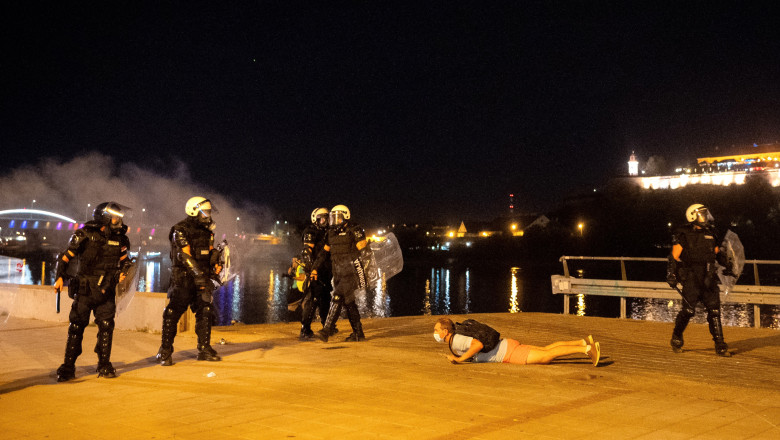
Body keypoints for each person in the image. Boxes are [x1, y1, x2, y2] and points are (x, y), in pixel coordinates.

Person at [54, 202, 132, 381]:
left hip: (107, 290)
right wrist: (59, 278)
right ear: (104, 216)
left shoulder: (121, 238)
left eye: (119, 216)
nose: (118, 219)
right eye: (114, 216)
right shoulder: (84, 234)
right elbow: (65, 258)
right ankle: (68, 367)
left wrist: (123, 272)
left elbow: (125, 261)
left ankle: (104, 365)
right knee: (76, 327)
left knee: (106, 327)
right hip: (85, 289)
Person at [156, 197, 222, 366]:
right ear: (193, 211)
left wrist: (216, 261)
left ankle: (204, 348)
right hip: (184, 278)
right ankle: (165, 351)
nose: (208, 215)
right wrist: (198, 275)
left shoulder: (207, 231)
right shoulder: (180, 229)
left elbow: (208, 252)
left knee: (205, 311)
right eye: (205, 212)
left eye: (209, 212)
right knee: (173, 313)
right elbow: (184, 255)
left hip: (202, 278)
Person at [666, 204, 731, 356]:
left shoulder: (711, 233)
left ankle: (720, 344)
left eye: (705, 214)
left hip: (709, 276)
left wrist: (727, 264)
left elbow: (717, 253)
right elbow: (674, 256)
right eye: (702, 215)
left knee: (714, 310)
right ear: (692, 217)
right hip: (692, 276)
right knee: (688, 310)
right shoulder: (684, 233)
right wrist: (671, 274)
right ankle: (676, 336)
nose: (705, 217)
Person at [433, 317, 601, 366]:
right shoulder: (456, 337)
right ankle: (582, 342)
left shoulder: (455, 341)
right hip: (506, 345)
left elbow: (478, 345)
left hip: (507, 353)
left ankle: (587, 349)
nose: (434, 333)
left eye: (436, 330)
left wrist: (460, 359)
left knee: (546, 356)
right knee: (546, 350)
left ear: (445, 331)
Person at [311, 205, 370, 342]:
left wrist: (366, 271)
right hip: (337, 272)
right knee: (349, 302)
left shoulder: (354, 230)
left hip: (352, 272)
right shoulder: (330, 234)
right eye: (333, 218)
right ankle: (358, 333)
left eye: (338, 218)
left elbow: (365, 252)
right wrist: (314, 268)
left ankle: (326, 330)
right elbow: (323, 254)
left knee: (337, 296)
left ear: (346, 217)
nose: (335, 221)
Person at [293, 207, 334, 340]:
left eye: (327, 218)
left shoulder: (328, 231)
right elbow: (306, 252)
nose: (325, 222)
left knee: (325, 298)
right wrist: (312, 269)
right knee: (313, 299)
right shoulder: (311, 231)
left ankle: (326, 326)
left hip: (327, 269)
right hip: (316, 270)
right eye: (322, 219)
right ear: (315, 219)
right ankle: (305, 329)